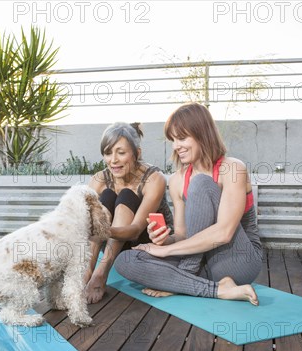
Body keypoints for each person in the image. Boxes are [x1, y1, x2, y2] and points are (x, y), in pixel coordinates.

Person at [113, 103, 263, 305]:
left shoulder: (233, 169)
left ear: (203, 134)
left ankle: (181, 278)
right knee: (126, 260)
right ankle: (218, 289)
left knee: (201, 184)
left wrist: (165, 251)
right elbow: (184, 235)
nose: (176, 146)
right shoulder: (176, 180)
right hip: (202, 264)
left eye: (182, 138)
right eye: (173, 140)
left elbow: (224, 232)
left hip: (236, 260)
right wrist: (164, 240)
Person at [84, 122, 174, 304]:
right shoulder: (99, 179)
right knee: (107, 195)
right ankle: (87, 272)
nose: (113, 160)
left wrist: (100, 229)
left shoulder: (153, 178)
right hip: (111, 240)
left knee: (126, 194)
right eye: (108, 153)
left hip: (145, 241)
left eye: (121, 153)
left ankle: (101, 274)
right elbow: (86, 223)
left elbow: (134, 230)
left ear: (137, 153)